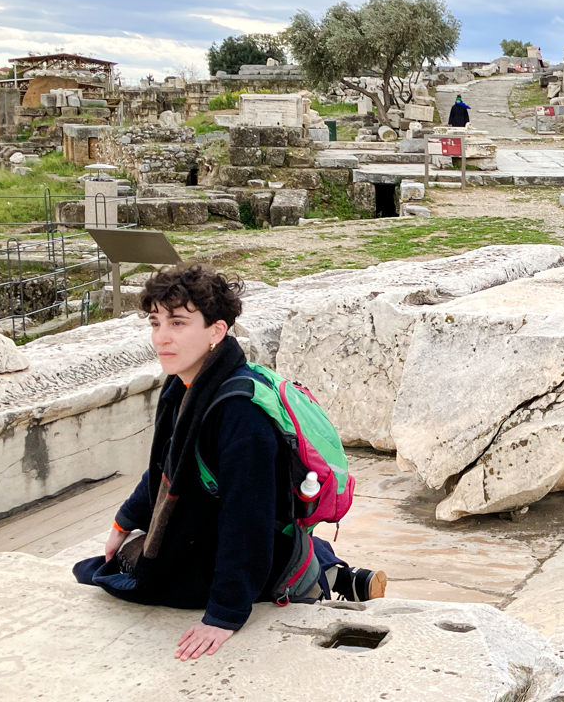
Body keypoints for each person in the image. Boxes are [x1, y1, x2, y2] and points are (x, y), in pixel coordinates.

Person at [73, 263, 385, 661]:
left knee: (107, 575)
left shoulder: (240, 415)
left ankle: (305, 576)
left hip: (244, 544)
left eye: (179, 323)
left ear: (216, 332)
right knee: (118, 558)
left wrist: (224, 615)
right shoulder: (185, 382)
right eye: (155, 323)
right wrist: (127, 519)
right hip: (220, 528)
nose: (162, 338)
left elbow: (247, 519)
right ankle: (333, 573)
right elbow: (166, 467)